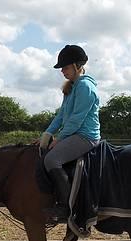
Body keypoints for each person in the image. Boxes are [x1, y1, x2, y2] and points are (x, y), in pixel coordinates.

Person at [39, 44, 101, 220]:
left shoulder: (85, 87)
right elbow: (61, 115)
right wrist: (47, 134)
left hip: (85, 136)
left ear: (77, 66)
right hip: (73, 133)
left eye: (65, 68)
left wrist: (59, 139)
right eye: (62, 69)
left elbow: (76, 119)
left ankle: (65, 207)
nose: (62, 71)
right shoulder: (71, 87)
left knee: (52, 159)